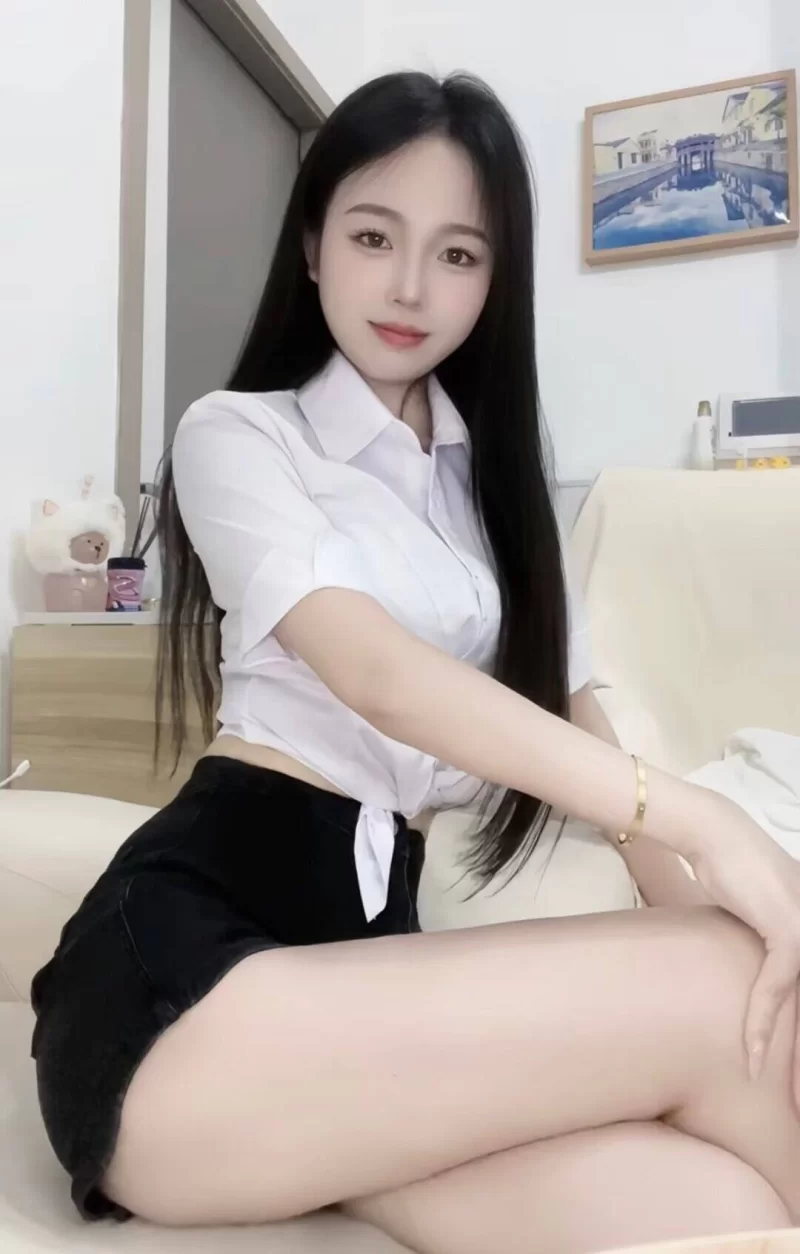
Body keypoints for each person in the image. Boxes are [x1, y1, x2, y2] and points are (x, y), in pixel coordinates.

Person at [31, 71, 800, 1254]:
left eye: (457, 255)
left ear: (494, 281)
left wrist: (735, 916)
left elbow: (578, 716)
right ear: (311, 246)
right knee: (709, 981)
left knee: (716, 1197)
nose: (407, 288)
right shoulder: (240, 434)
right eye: (372, 237)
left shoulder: (494, 489)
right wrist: (705, 818)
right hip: (180, 991)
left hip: (360, 973)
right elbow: (377, 676)